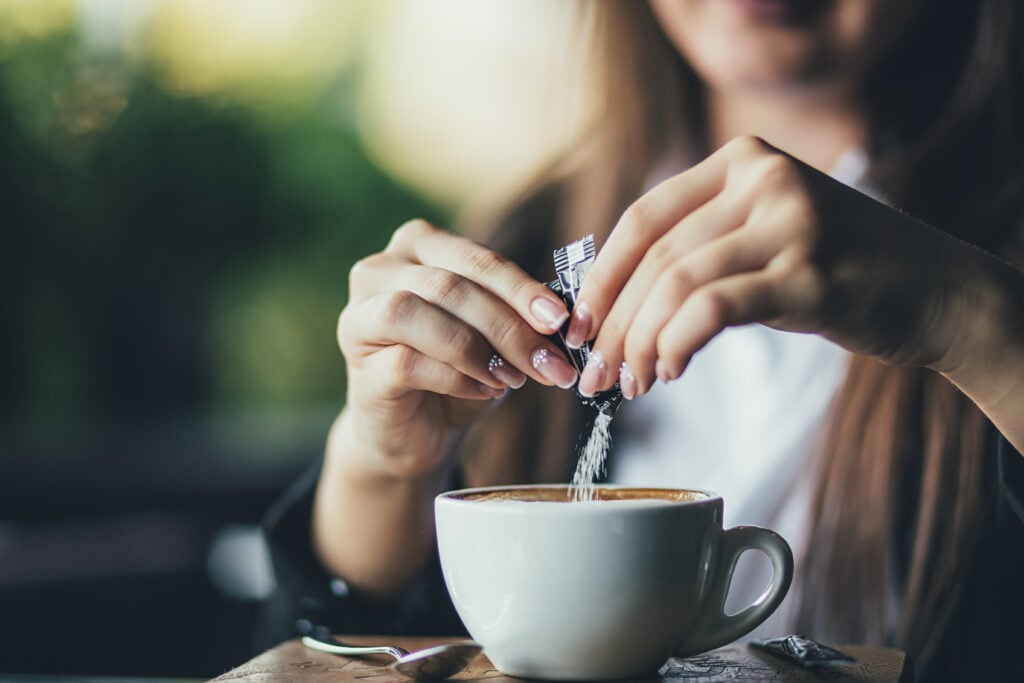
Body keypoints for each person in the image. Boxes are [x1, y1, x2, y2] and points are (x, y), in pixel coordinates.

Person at [260, 1, 1024, 679]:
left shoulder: (990, 278)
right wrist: (383, 468)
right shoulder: (525, 248)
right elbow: (322, 655)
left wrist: (969, 317)